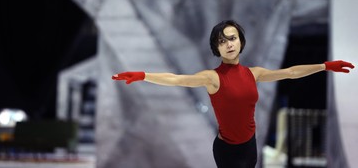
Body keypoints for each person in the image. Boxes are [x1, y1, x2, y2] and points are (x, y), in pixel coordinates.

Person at [112, 20, 354, 168]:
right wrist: (143, 75)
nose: (229, 43)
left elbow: (290, 72)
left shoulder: (254, 73)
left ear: (240, 41)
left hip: (250, 146)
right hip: (226, 150)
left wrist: (324, 66)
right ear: (216, 48)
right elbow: (176, 79)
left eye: (232, 38)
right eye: (222, 41)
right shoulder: (212, 77)